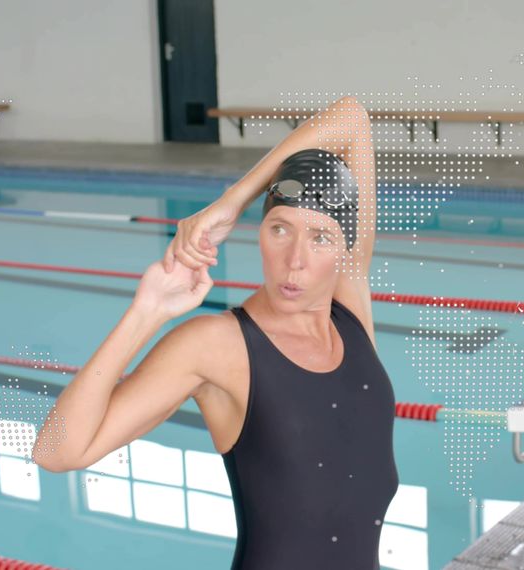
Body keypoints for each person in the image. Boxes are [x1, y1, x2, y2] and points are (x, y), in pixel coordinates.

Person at [31, 96, 399, 570]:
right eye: (279, 229)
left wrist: (232, 200)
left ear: (344, 247)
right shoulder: (217, 345)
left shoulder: (349, 310)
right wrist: (146, 313)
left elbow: (352, 117)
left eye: (320, 237)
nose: (296, 260)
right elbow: (57, 450)